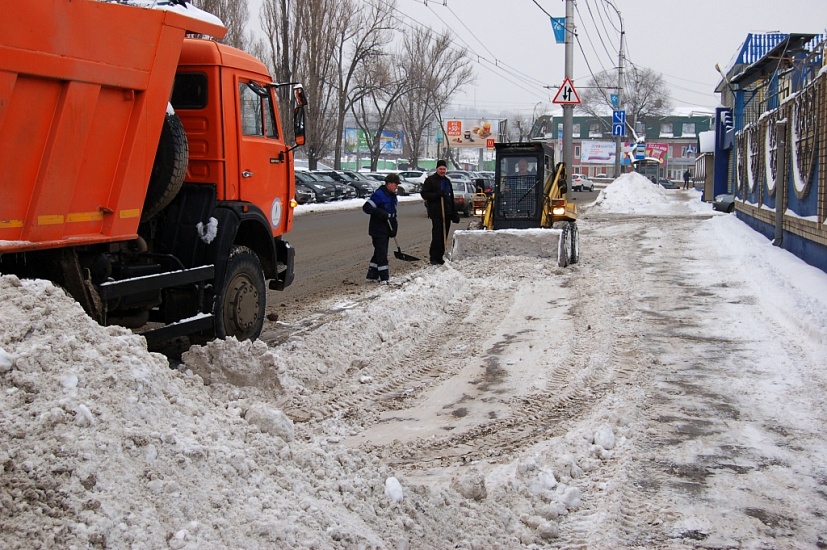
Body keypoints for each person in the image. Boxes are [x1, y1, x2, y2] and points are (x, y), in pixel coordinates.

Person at [362, 173, 399, 283]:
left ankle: (372, 274)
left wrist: (394, 227)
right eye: (395, 184)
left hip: (387, 227)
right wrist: (379, 212)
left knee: (379, 251)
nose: (397, 186)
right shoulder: (379, 194)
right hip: (378, 228)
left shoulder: (393, 196)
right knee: (382, 252)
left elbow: (393, 213)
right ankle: (384, 277)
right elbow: (366, 207)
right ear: (388, 184)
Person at [421, 160, 459, 265]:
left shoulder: (447, 181)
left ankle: (441, 256)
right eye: (440, 169)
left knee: (444, 235)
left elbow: (451, 198)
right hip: (437, 212)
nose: (442, 171)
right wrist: (437, 194)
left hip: (447, 212)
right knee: (437, 235)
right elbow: (424, 194)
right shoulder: (430, 180)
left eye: (444, 169)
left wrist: (454, 213)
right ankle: (434, 257)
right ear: (437, 169)